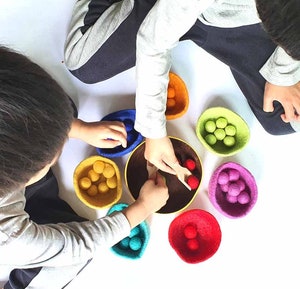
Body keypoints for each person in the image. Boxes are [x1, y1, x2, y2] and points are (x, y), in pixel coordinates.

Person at [0, 46, 169, 289]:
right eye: (52, 156)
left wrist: (77, 128)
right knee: (64, 263)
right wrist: (143, 208)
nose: (62, 147)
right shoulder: (9, 236)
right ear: (22, 176)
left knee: (61, 108)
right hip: (15, 231)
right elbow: (78, 244)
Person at [64, 0, 300, 174]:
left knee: (284, 119)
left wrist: (282, 73)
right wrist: (153, 131)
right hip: (174, 7)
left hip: (234, 17)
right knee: (83, 63)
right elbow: (154, 43)